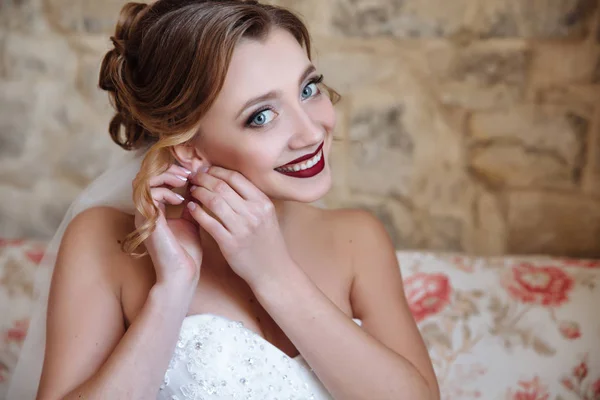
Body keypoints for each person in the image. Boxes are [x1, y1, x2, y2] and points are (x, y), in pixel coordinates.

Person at [7, 1, 440, 399]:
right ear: (189, 148)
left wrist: (273, 274)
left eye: (308, 89)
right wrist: (171, 291)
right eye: (262, 116)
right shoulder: (103, 241)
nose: (311, 132)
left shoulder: (357, 239)